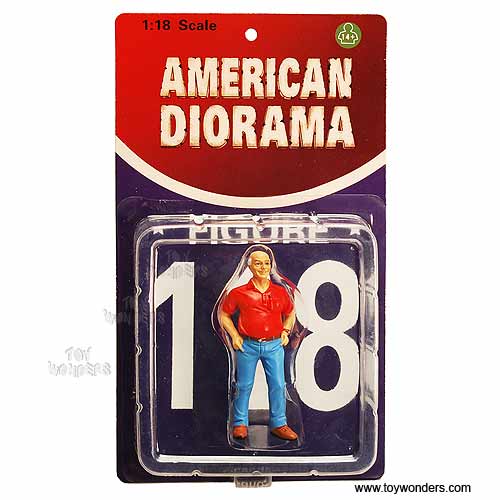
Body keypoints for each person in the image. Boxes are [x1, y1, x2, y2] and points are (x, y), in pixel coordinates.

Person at [220, 248, 298, 441]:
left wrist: (286, 331)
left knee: (278, 385)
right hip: (248, 345)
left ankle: (279, 423)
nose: (263, 267)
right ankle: (240, 423)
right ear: (249, 266)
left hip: (274, 345)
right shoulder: (239, 292)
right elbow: (224, 314)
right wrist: (234, 336)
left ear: (271, 265)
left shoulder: (280, 292)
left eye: (266, 263)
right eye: (258, 263)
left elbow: (290, 312)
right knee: (244, 385)